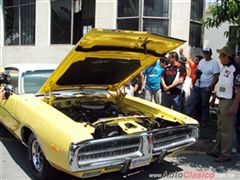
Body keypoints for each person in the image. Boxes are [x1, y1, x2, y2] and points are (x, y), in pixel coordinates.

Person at [207, 46, 236, 162]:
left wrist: (234, 105)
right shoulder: (224, 69)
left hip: (228, 101)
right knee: (220, 128)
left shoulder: (235, 69)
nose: (219, 57)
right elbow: (221, 85)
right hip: (221, 100)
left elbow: (238, 89)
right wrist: (214, 97)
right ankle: (216, 150)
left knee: (226, 130)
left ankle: (226, 153)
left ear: (226, 56)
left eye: (221, 55)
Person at [187, 48, 220, 127]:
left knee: (204, 105)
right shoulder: (202, 61)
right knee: (191, 102)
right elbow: (197, 70)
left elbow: (216, 77)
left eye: (207, 53)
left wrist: (210, 87)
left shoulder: (214, 63)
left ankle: (204, 120)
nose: (205, 55)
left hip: (206, 87)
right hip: (197, 85)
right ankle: (188, 119)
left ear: (210, 54)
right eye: (204, 53)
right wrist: (196, 72)